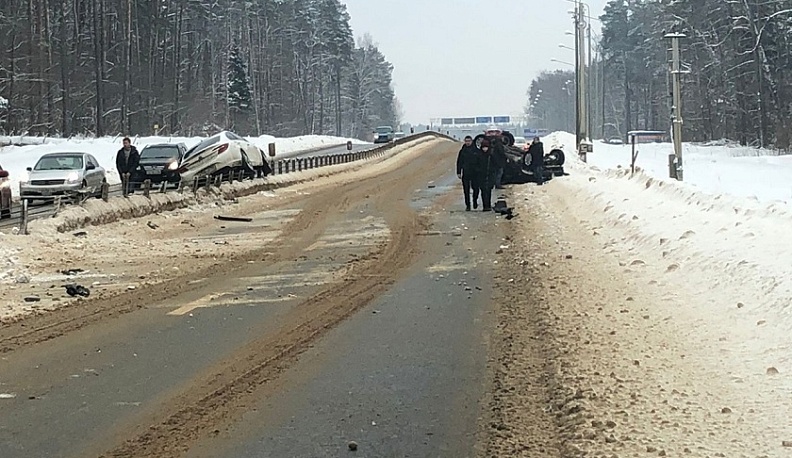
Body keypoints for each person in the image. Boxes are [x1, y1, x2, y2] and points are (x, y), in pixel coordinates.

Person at [456, 136, 481, 211]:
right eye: (466, 141)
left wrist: (480, 170)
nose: (467, 142)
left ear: (472, 141)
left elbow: (480, 162)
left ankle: (475, 200)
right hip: (466, 172)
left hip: (475, 173)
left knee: (476, 189)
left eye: (469, 141)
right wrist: (458, 172)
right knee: (466, 190)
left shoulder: (476, 150)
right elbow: (459, 162)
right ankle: (468, 205)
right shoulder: (462, 151)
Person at [476, 139, 498, 211]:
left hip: (489, 175)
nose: (485, 149)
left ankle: (488, 205)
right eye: (483, 147)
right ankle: (485, 206)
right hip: (481, 176)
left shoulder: (491, 155)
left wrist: (493, 173)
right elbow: (476, 165)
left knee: (488, 191)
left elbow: (495, 165)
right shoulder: (479, 155)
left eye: (486, 147)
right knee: (483, 191)